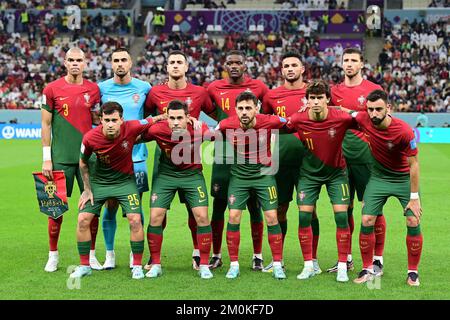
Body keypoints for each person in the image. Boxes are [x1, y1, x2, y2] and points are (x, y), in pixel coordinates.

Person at [69, 102, 166, 279]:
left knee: (135, 220)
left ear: (122, 120)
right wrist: (87, 189)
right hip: (99, 183)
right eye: (107, 120)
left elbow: (152, 120)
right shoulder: (90, 137)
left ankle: (136, 265)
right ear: (101, 120)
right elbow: (82, 163)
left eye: (114, 120)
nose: (111, 124)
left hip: (125, 182)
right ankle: (84, 266)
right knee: (83, 219)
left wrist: (169, 117)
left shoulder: (132, 126)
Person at [343, 90, 423, 286]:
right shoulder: (364, 118)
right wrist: (317, 107)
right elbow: (345, 111)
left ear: (388, 108)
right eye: (370, 109)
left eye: (378, 109)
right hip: (379, 178)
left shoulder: (404, 131)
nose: (373, 113)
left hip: (402, 178)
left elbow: (414, 165)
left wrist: (414, 196)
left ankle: (413, 272)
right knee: (367, 218)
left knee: (413, 220)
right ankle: (367, 268)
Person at [144, 50, 215, 271]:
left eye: (179, 62)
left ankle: (197, 253)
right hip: (164, 158)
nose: (175, 66)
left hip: (192, 159)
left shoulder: (200, 92)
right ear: (166, 67)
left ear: (186, 67)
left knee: (196, 212)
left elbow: (216, 117)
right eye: (171, 62)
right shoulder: (155, 92)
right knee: (158, 212)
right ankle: (154, 258)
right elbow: (144, 119)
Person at [285, 80, 353, 282]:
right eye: (312, 98)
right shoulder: (298, 118)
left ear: (327, 100)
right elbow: (277, 125)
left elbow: (365, 119)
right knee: (304, 217)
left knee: (341, 217)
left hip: (336, 174)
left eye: (319, 98)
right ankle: (309, 265)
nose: (315, 102)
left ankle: (342, 266)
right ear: (307, 100)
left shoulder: (341, 116)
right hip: (309, 175)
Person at [207, 50, 269, 270]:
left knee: (255, 205)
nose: (234, 66)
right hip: (223, 155)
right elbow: (205, 110)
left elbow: (267, 114)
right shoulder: (213, 87)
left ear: (246, 65)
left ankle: (258, 255)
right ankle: (216, 254)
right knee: (219, 204)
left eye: (238, 62)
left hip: (251, 154)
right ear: (225, 64)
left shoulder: (259, 88)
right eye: (230, 62)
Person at [41, 47, 102, 273]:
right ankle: (53, 255)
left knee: (92, 208)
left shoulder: (94, 90)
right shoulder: (51, 89)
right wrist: (46, 159)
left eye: (79, 60)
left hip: (88, 160)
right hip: (60, 159)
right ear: (64, 63)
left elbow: (101, 119)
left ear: (85, 63)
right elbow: (45, 125)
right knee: (54, 209)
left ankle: (92, 255)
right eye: (71, 60)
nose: (75, 63)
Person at [216, 91, 287, 280]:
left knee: (272, 217)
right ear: (235, 110)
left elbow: (291, 122)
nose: (244, 112)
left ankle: (278, 264)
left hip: (264, 176)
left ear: (257, 108)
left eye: (249, 108)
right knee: (233, 216)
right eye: (241, 108)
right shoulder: (226, 124)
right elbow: (206, 134)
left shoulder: (271, 121)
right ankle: (234, 265)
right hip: (239, 178)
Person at [261, 51, 321, 274]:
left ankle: (313, 260)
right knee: (280, 209)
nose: (290, 69)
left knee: (310, 210)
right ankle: (278, 260)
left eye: (294, 65)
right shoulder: (271, 96)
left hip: (309, 161)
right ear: (281, 70)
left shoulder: (314, 94)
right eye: (286, 66)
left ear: (302, 69)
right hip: (281, 161)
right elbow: (264, 125)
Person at [328, 47, 385, 274]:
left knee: (373, 210)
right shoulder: (334, 91)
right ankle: (347, 258)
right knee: (344, 210)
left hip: (367, 158)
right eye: (346, 60)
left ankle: (378, 259)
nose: (349, 64)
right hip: (341, 158)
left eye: (353, 60)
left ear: (362, 64)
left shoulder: (373, 89)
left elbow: (382, 120)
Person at [98, 48, 152, 270]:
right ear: (111, 64)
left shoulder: (144, 88)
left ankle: (134, 253)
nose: (120, 64)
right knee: (109, 207)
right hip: (109, 160)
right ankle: (109, 255)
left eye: (124, 60)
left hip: (136, 159)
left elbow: (149, 118)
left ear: (131, 63)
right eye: (116, 60)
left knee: (135, 209)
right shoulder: (101, 88)